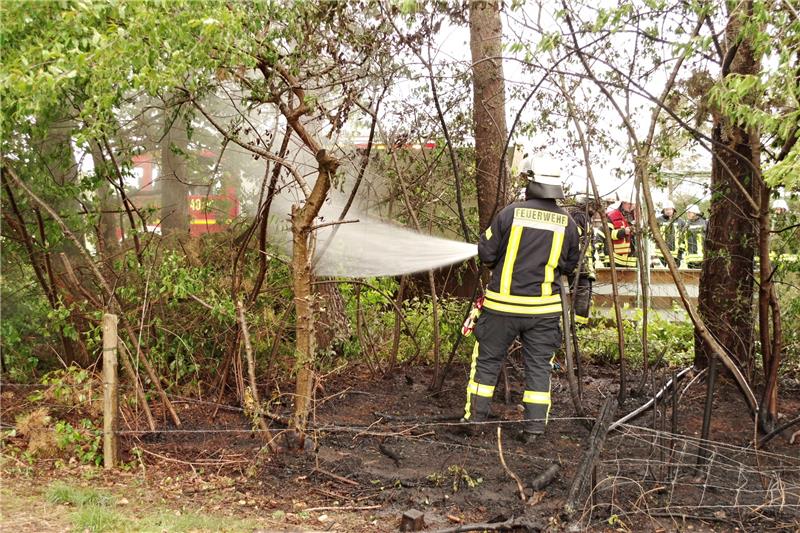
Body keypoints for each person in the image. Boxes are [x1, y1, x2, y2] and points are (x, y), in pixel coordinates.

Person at [462, 157, 580, 443]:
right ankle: (534, 430)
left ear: (532, 183)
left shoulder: (510, 213)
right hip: (544, 312)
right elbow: (569, 266)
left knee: (487, 362)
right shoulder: (568, 223)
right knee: (539, 367)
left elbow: (487, 253)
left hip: (502, 307)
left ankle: (475, 421)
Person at [566, 194, 597, 325]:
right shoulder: (579, 217)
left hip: (584, 268)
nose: (594, 209)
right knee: (581, 300)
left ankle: (580, 329)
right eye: (592, 205)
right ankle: (576, 329)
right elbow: (576, 242)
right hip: (579, 267)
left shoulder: (584, 217)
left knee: (585, 300)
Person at [605, 196, 637, 268]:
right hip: (616, 259)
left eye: (633, 204)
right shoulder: (612, 216)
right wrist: (623, 232)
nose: (631, 206)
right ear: (623, 203)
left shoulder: (635, 216)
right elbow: (607, 234)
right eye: (629, 203)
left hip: (632, 259)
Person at [654, 199, 685, 266]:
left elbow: (684, 237)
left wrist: (681, 250)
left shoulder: (680, 221)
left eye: (670, 209)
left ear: (673, 210)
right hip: (661, 252)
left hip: (676, 253)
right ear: (663, 210)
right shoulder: (657, 221)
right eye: (666, 209)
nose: (668, 211)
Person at [682, 204, 706, 268]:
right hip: (690, 259)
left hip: (702, 259)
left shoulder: (704, 223)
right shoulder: (687, 225)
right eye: (687, 212)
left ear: (695, 213)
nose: (688, 214)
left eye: (689, 212)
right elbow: (683, 240)